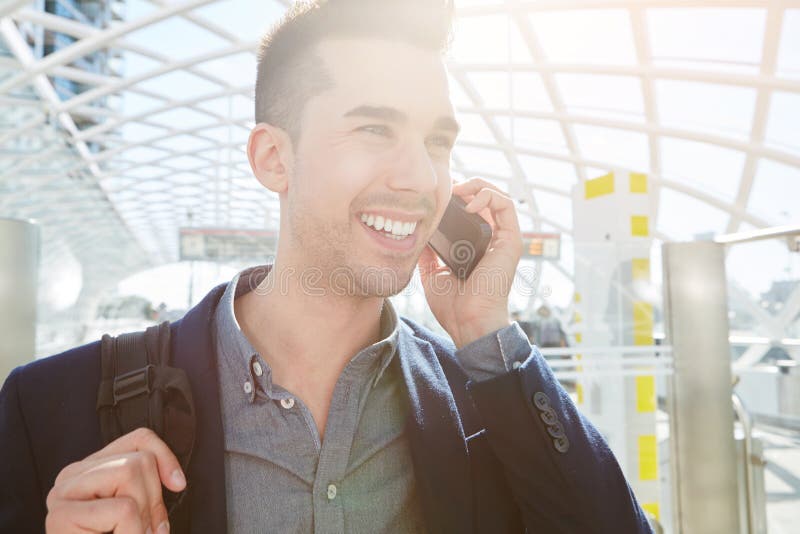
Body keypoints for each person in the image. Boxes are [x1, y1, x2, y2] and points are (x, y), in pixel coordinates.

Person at [0, 1, 653, 533]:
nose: (422, 178)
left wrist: (488, 331)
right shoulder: (54, 412)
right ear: (273, 159)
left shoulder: (487, 408)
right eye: (374, 129)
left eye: (437, 141)